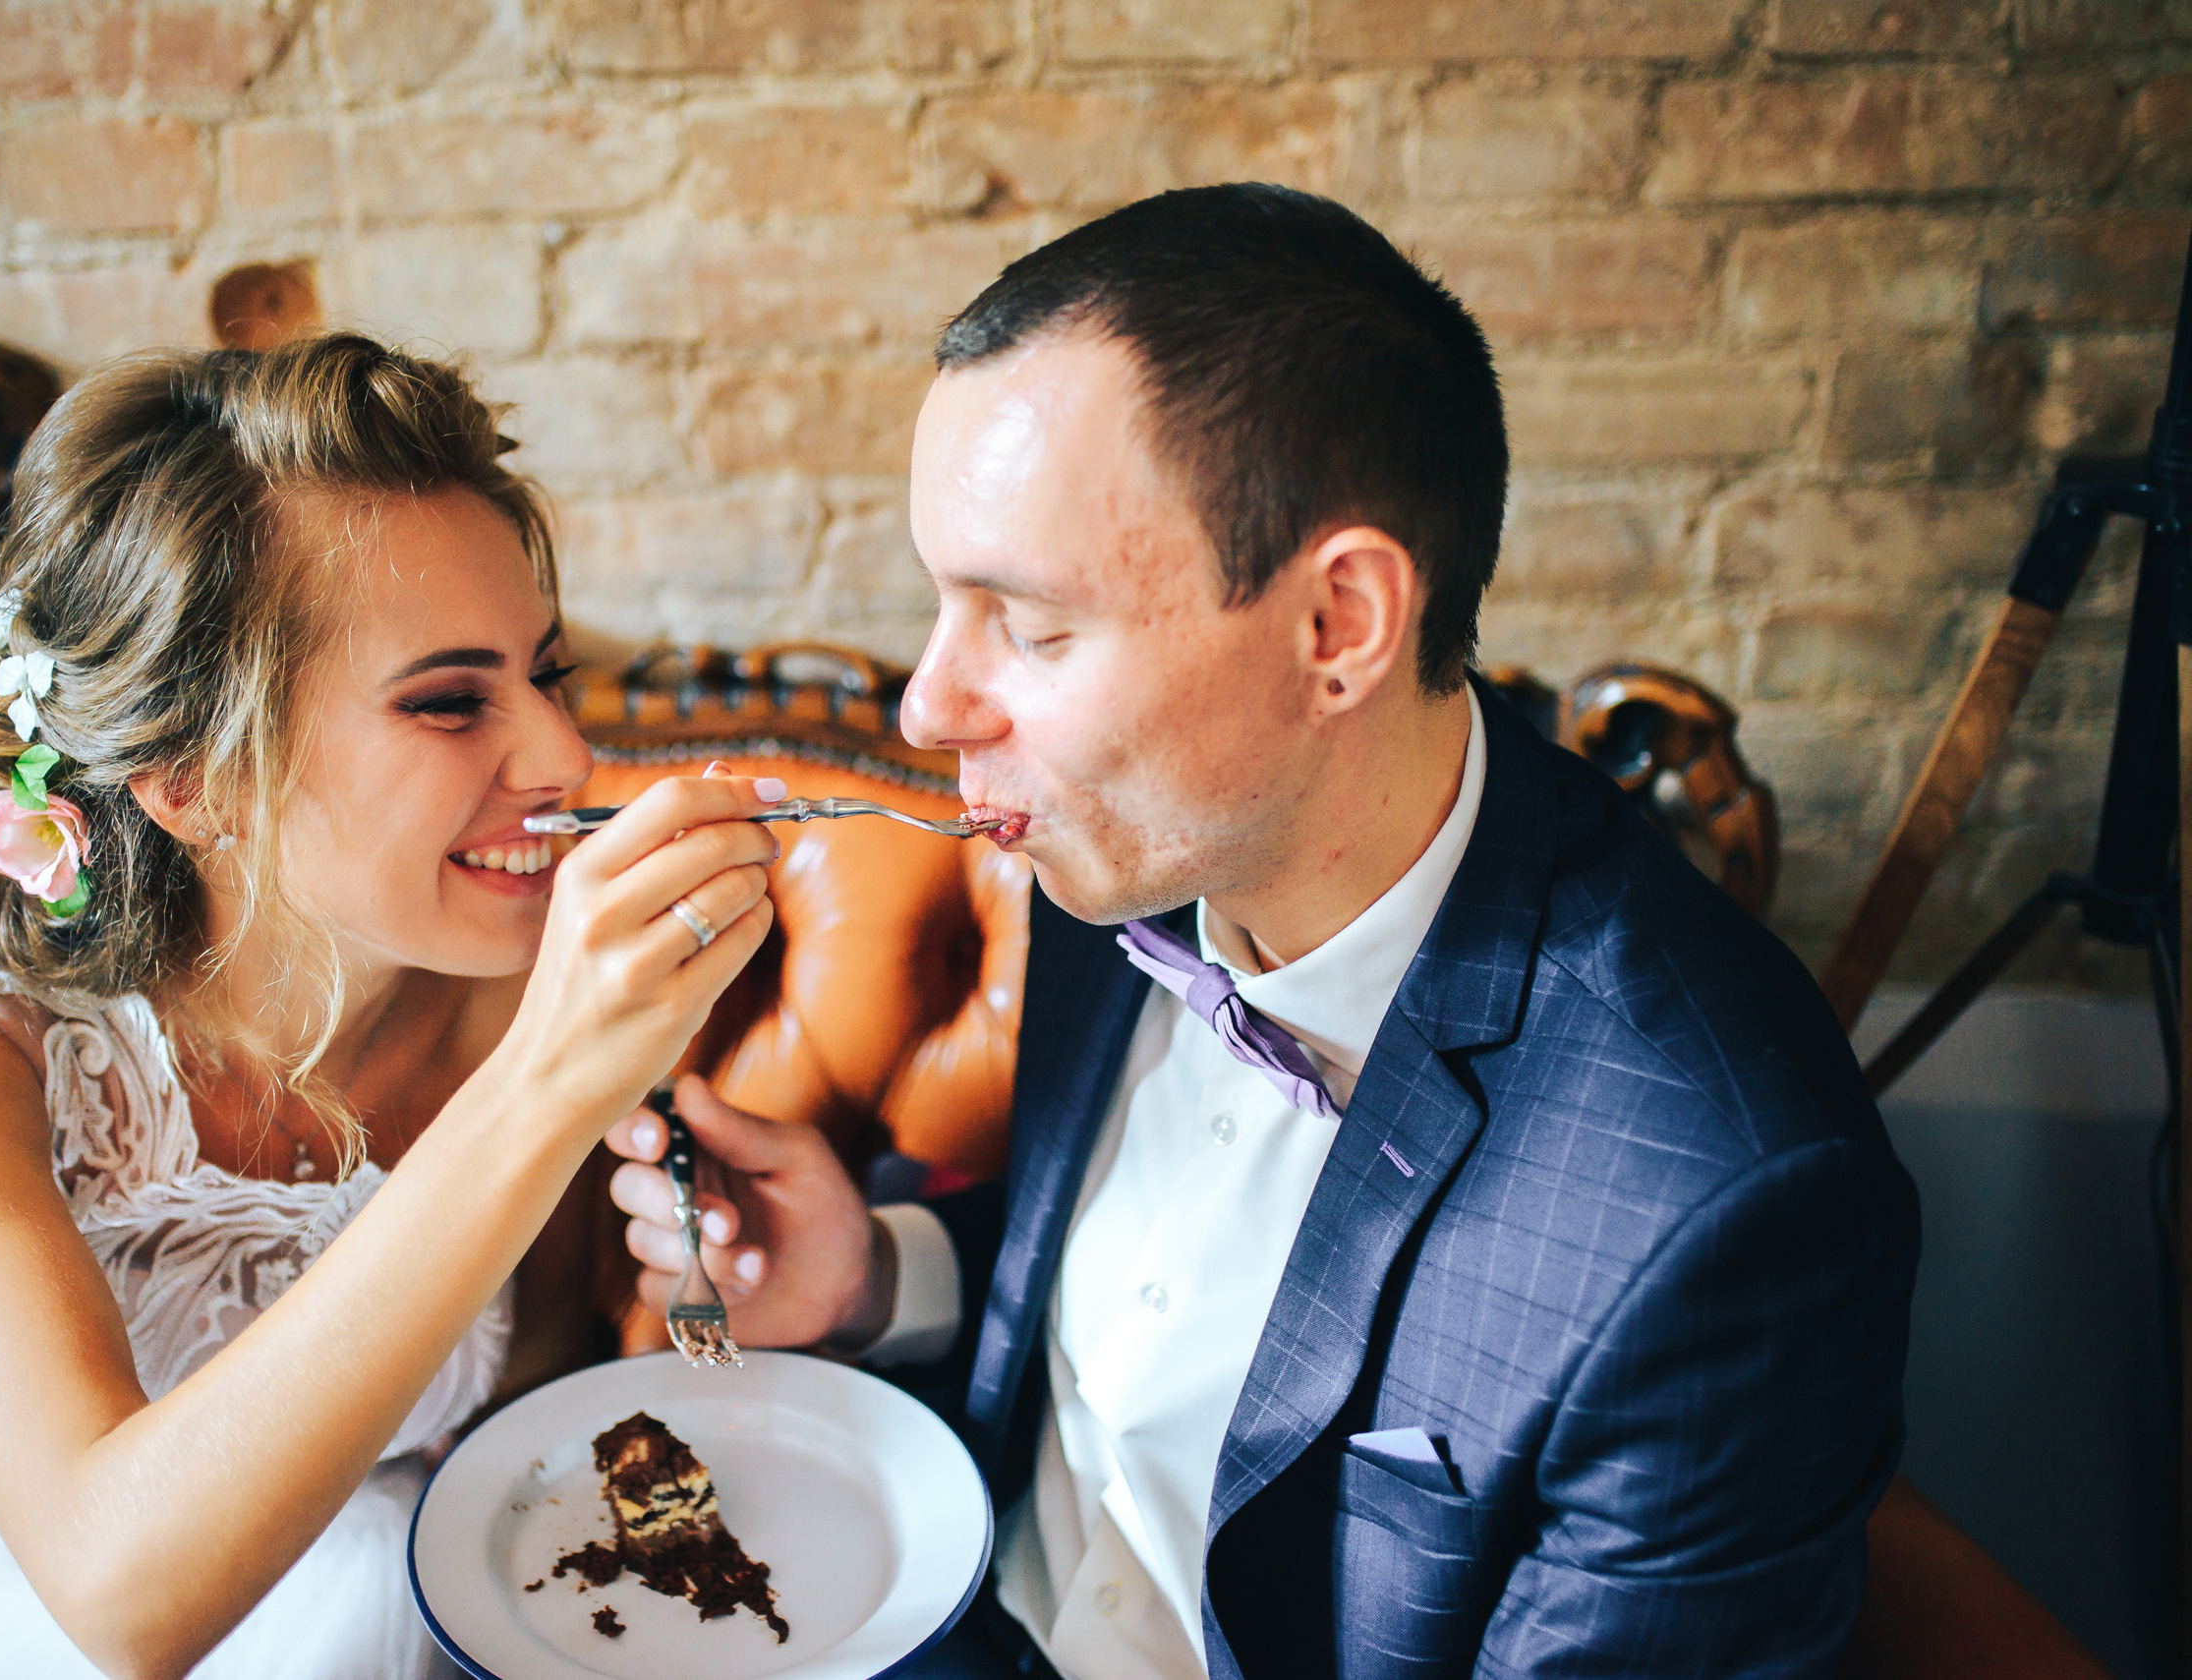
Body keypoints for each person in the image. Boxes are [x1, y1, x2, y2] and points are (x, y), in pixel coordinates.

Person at [606, 185, 1922, 1678]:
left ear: (1339, 624)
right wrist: (881, 1274)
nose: (927, 707)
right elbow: (1158, 1295)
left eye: (1031, 628)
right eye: (942, 605)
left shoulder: (1722, 1203)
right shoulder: (1130, 835)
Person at [0, 333, 783, 1680]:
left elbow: (531, 1430)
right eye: (448, 702)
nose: (564, 756)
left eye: (545, 673)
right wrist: (546, 1088)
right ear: (190, 777)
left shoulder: (536, 984)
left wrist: (760, 1278)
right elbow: (117, 1596)